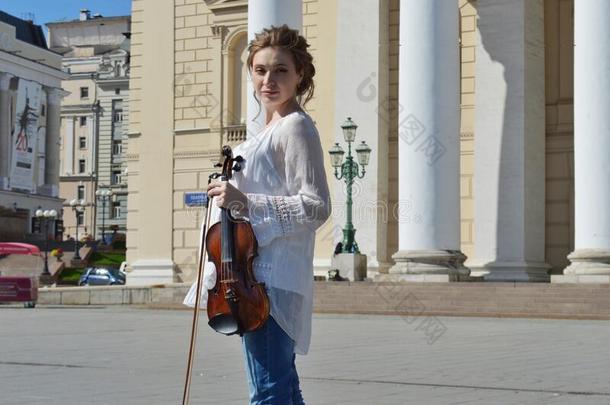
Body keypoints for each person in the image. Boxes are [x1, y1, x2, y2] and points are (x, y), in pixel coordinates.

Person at [183, 25, 331, 404]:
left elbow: (316, 206)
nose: (269, 79)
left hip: (269, 281)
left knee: (268, 393)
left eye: (281, 70)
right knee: (281, 389)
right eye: (260, 70)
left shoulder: (295, 127)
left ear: (300, 75)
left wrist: (244, 202)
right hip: (252, 278)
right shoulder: (261, 133)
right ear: (249, 72)